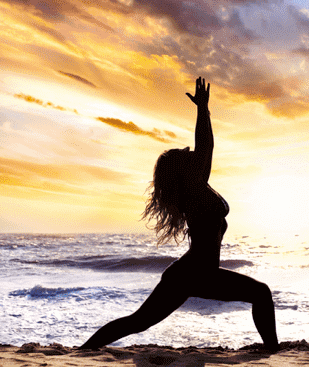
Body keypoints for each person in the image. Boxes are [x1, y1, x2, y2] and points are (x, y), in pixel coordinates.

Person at [80, 77, 279, 352]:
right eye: (183, 153)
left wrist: (205, 111)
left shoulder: (199, 188)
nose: (188, 150)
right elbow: (206, 147)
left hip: (194, 273)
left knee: (139, 321)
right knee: (139, 322)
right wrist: (201, 110)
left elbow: (205, 149)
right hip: (192, 274)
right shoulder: (195, 190)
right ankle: (273, 354)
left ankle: (83, 349)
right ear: (182, 171)